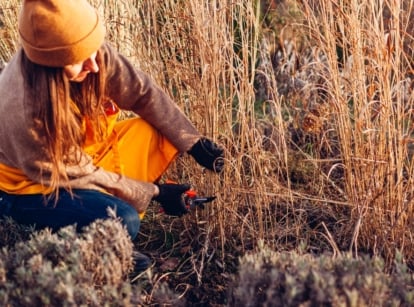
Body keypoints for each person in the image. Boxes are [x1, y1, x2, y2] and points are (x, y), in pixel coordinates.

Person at [0, 0, 224, 273]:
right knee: (123, 219)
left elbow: (142, 93)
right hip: (29, 188)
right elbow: (83, 173)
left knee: (156, 131)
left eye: (93, 49)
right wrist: (156, 193)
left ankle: (108, 215)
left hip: (82, 158)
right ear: (50, 64)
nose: (95, 64)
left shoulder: (87, 50)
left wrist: (192, 141)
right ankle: (91, 251)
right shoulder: (25, 110)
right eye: (79, 58)